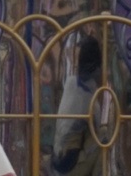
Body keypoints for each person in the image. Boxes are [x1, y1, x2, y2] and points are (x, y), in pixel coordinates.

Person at [52, 35, 105, 176]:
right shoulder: (83, 89)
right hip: (69, 162)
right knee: (105, 139)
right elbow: (95, 122)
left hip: (61, 157)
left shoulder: (72, 84)